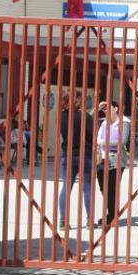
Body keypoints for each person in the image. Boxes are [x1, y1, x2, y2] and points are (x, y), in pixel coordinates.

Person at [57, 91, 94, 229]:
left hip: (68, 155)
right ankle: (90, 221)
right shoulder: (84, 116)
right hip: (85, 155)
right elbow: (92, 135)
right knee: (87, 188)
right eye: (79, 99)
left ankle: (63, 221)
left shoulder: (61, 117)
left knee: (66, 188)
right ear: (75, 100)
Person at [95, 100, 131, 228]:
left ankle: (111, 216)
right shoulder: (103, 122)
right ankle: (112, 213)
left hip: (116, 160)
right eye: (103, 110)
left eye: (107, 108)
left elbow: (123, 141)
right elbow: (89, 123)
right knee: (103, 188)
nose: (105, 111)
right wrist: (96, 109)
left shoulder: (124, 122)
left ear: (116, 109)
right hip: (101, 159)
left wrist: (104, 142)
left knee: (112, 188)